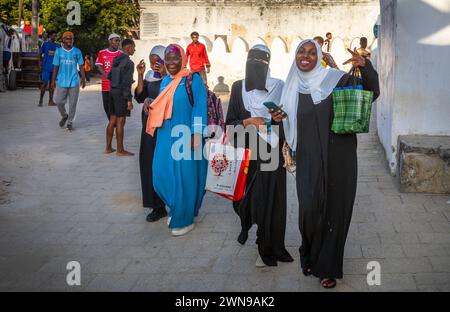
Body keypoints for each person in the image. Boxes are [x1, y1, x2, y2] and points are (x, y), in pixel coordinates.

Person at [277, 39, 379, 288]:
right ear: (296, 55)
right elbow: (286, 125)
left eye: (312, 52)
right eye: (302, 51)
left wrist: (366, 67)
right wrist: (277, 119)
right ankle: (310, 254)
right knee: (310, 210)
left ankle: (328, 267)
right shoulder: (290, 88)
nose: (306, 55)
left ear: (319, 56)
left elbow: (371, 92)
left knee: (335, 210)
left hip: (340, 157)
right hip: (309, 158)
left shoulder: (335, 78)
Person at [226, 44, 293, 268]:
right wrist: (248, 121)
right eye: (252, 59)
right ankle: (259, 241)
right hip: (249, 153)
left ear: (269, 63)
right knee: (255, 202)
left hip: (273, 152)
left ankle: (272, 247)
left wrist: (277, 119)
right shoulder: (238, 88)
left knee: (275, 202)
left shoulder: (280, 87)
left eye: (262, 61)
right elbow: (230, 126)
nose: (256, 65)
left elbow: (287, 122)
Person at [146, 44, 207, 236]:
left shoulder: (192, 79)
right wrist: (150, 105)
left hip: (184, 135)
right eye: (168, 58)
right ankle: (176, 207)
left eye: (175, 58)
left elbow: (200, 106)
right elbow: (163, 105)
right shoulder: (165, 81)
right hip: (165, 135)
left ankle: (184, 218)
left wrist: (196, 134)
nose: (171, 62)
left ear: (183, 58)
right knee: (160, 174)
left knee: (184, 178)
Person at [134, 45, 167, 222]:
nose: (154, 64)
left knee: (166, 165)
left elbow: (171, 96)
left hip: (166, 127)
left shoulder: (171, 78)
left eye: (158, 61)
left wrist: (163, 75)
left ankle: (174, 202)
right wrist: (140, 75)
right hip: (149, 128)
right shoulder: (148, 77)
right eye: (151, 61)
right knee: (148, 164)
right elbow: (140, 96)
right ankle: (157, 206)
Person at [105, 38, 135, 156]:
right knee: (121, 121)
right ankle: (120, 150)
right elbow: (126, 84)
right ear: (128, 48)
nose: (134, 49)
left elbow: (109, 76)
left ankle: (108, 148)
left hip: (112, 91)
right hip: (121, 93)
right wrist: (129, 100)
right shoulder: (129, 63)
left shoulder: (116, 59)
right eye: (133, 47)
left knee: (112, 120)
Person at [51, 31, 86, 131]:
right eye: (67, 38)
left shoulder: (77, 51)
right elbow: (55, 67)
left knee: (73, 104)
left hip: (74, 81)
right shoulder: (58, 51)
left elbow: (81, 66)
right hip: (61, 81)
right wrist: (53, 81)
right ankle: (64, 115)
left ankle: (70, 122)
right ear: (63, 40)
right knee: (58, 102)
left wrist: (83, 79)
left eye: (71, 38)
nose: (70, 40)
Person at [95, 34, 123, 120]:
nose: (118, 43)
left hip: (117, 86)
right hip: (106, 86)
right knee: (106, 106)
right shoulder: (102, 53)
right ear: (110, 41)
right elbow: (99, 65)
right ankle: (112, 122)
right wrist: (106, 75)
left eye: (119, 41)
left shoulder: (121, 54)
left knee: (116, 106)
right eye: (116, 40)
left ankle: (114, 124)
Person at [39, 30, 60, 107]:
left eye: (56, 36)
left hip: (54, 69)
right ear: (50, 36)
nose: (55, 37)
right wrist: (39, 65)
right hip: (46, 68)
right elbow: (39, 54)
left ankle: (50, 101)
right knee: (44, 84)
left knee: (52, 84)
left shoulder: (58, 45)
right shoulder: (45, 44)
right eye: (54, 35)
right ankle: (41, 100)